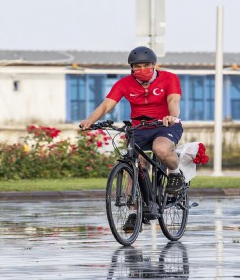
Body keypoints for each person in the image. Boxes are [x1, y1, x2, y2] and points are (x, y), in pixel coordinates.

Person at [79, 46, 184, 195]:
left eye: (147, 65)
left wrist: (172, 116)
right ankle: (134, 209)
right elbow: (106, 105)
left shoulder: (169, 78)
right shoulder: (124, 83)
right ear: (132, 68)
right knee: (134, 164)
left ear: (154, 64)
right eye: (138, 66)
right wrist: (90, 120)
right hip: (139, 128)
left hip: (165, 124)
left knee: (160, 149)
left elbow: (173, 100)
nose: (143, 69)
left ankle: (175, 173)